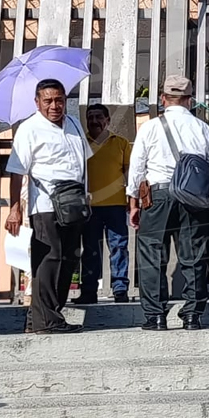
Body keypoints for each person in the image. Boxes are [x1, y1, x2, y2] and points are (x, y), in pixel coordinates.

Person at [127, 75, 209, 331]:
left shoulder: (149, 127)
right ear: (189, 100)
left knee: (151, 253)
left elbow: (137, 168)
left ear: (163, 99)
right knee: (193, 255)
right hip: (192, 199)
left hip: (157, 196)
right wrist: (195, 181)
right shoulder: (200, 127)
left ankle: (156, 316)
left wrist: (134, 204)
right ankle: (193, 314)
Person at [5, 79, 92, 335]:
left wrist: (88, 197)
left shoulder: (74, 123)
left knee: (69, 259)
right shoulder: (30, 128)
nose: (55, 106)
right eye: (48, 101)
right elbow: (16, 170)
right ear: (37, 102)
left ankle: (40, 318)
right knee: (49, 260)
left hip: (74, 201)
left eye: (59, 100)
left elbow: (84, 164)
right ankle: (48, 321)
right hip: (45, 203)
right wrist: (14, 208)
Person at [77, 104, 132, 304]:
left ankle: (120, 289)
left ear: (108, 120)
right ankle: (89, 291)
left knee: (119, 247)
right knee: (90, 249)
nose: (94, 121)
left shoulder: (121, 143)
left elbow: (129, 174)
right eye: (90, 117)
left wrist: (132, 199)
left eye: (98, 117)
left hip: (116, 205)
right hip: (89, 206)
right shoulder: (80, 143)